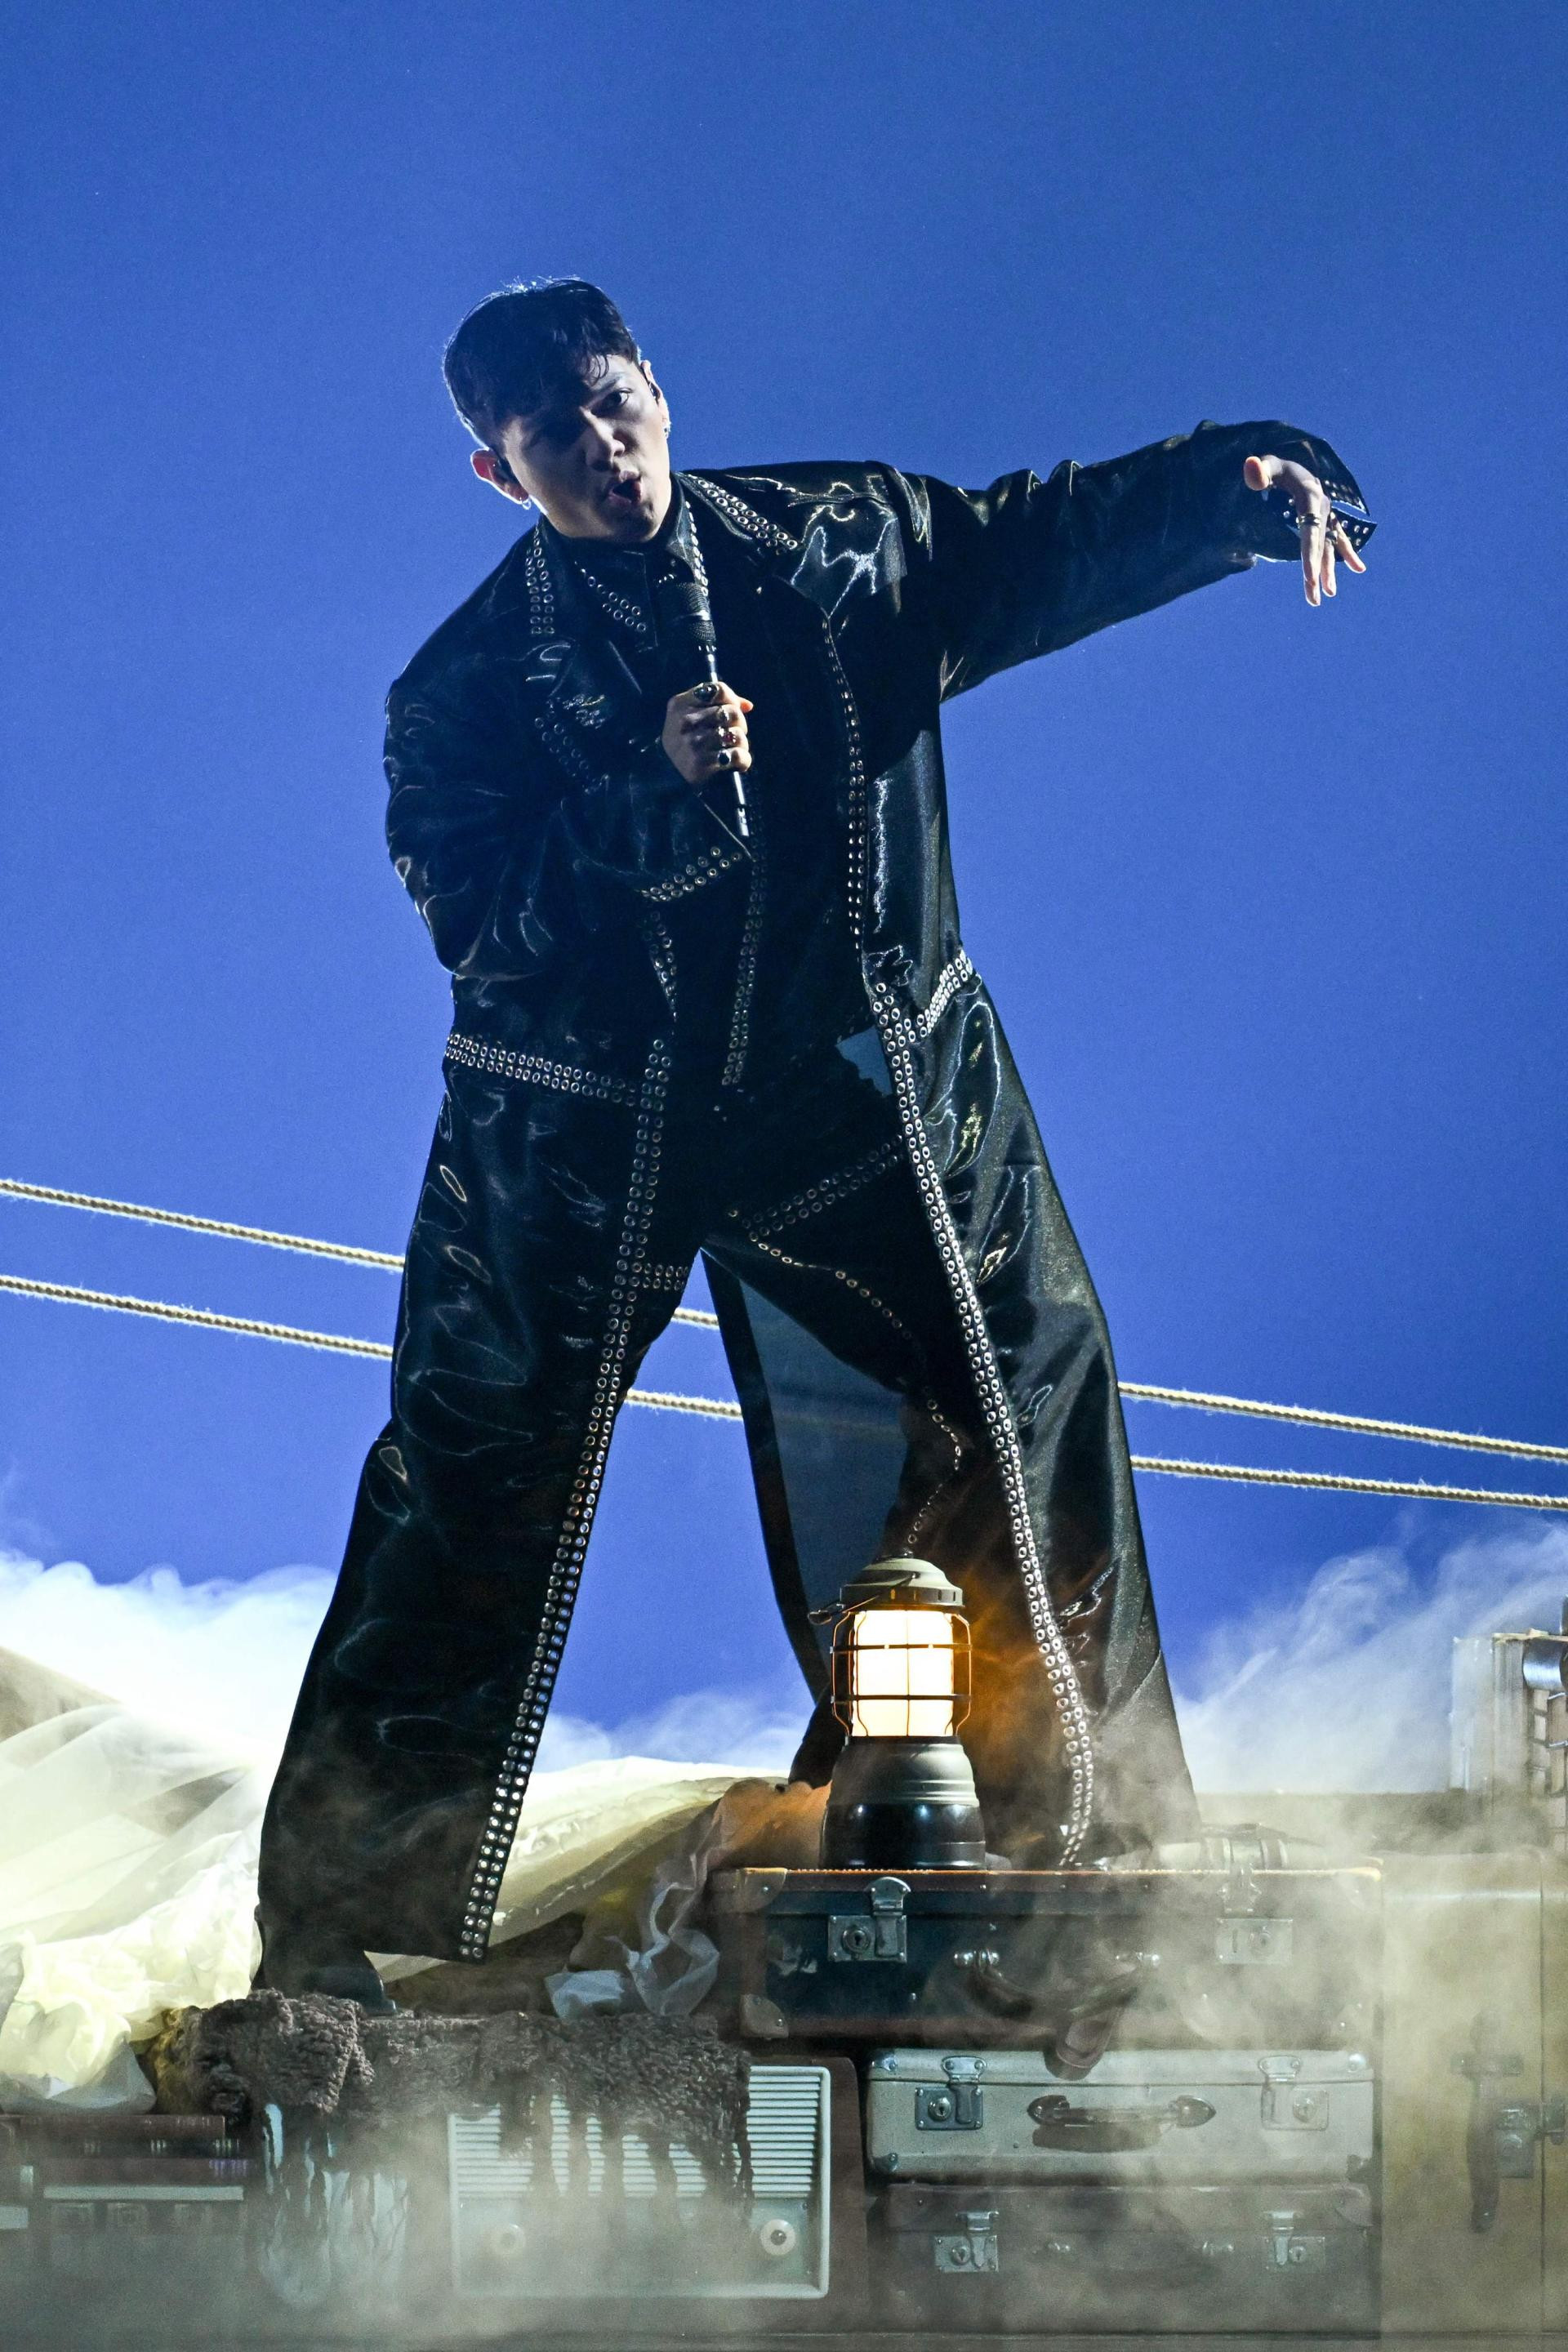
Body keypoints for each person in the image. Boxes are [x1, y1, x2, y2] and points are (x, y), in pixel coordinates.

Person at [256, 278, 1369, 2002]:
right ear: (498, 472)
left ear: (657, 386)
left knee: (1030, 1372)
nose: (602, 446)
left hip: (849, 1099)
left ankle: (1050, 1838)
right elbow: (482, 925)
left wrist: (1239, 487)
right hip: (574, 1136)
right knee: (465, 1483)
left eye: (615, 401)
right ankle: (352, 1939)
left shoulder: (842, 544)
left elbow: (1033, 544)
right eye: (553, 434)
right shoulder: (457, 692)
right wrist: (644, 792)